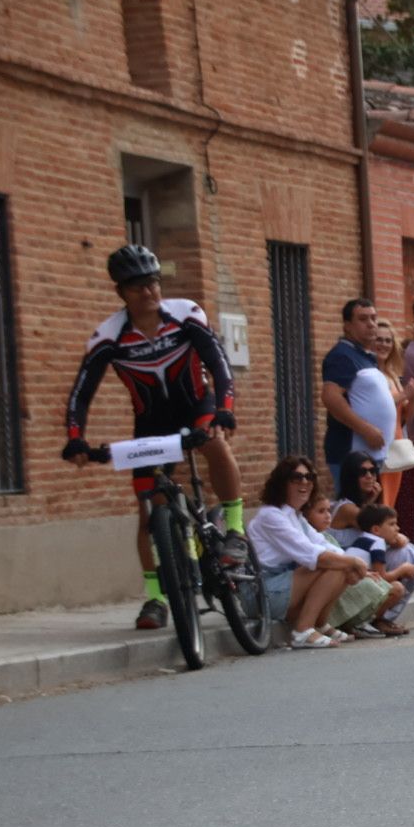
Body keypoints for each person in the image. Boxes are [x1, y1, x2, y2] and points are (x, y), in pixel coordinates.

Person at [63, 244, 248, 630]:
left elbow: (218, 363)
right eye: (136, 287)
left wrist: (225, 408)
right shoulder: (108, 337)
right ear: (121, 293)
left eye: (152, 283)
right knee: (148, 509)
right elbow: (82, 393)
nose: (148, 292)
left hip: (198, 405)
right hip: (150, 423)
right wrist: (76, 438)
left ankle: (234, 528)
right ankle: (155, 598)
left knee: (214, 441)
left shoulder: (185, 315)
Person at [247, 458, 369, 649]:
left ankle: (319, 624)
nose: (305, 482)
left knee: (340, 565)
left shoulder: (295, 516)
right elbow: (311, 555)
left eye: (309, 477)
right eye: (297, 477)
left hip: (282, 585)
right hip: (260, 592)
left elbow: (323, 544)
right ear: (282, 483)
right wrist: (350, 561)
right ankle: (303, 630)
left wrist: (352, 563)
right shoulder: (271, 515)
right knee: (334, 566)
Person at [302, 490, 400, 638]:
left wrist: (364, 572)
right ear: (305, 516)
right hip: (329, 583)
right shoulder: (376, 541)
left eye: (329, 510)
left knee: (383, 584)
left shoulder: (326, 536)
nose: (328, 515)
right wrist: (403, 570)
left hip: (344, 577)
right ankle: (358, 623)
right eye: (321, 511)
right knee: (392, 587)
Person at [321, 298, 395, 472]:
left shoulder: (365, 356)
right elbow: (330, 397)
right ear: (347, 325)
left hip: (371, 455)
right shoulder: (342, 355)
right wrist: (366, 429)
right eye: (363, 319)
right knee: (352, 500)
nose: (371, 324)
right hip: (351, 454)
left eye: (373, 318)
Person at [344, 503, 414, 636]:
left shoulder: (364, 538)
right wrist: (402, 569)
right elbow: (382, 578)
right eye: (392, 524)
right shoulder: (377, 542)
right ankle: (367, 622)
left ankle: (371, 621)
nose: (397, 529)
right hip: (353, 589)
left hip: (350, 588)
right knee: (397, 588)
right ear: (376, 529)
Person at [372, 318, 414, 506]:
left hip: (396, 445)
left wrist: (413, 395)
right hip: (377, 444)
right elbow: (377, 405)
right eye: (379, 339)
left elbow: (406, 415)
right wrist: (405, 393)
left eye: (388, 340)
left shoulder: (392, 375)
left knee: (390, 503)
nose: (384, 344)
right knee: (379, 502)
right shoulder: (370, 374)